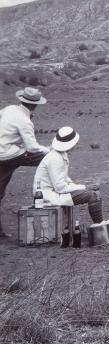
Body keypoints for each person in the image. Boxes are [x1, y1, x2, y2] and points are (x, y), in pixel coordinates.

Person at [0, 87, 51, 237]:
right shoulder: (25, 121)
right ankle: (49, 192)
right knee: (48, 158)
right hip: (12, 154)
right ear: (35, 105)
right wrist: (48, 149)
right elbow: (32, 148)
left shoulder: (9, 109)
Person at [33, 127, 103, 229]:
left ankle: (100, 227)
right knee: (93, 195)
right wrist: (84, 187)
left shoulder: (59, 154)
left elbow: (65, 181)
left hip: (52, 192)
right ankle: (101, 227)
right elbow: (60, 187)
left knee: (93, 193)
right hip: (47, 196)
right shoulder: (55, 158)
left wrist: (83, 187)